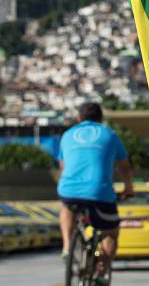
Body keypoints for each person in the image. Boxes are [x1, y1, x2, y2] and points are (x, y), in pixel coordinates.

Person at [57, 102, 134, 277]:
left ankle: (67, 246)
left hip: (69, 190)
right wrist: (129, 189)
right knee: (111, 233)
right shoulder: (110, 135)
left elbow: (63, 165)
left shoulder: (67, 135)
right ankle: (100, 271)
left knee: (66, 207)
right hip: (100, 193)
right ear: (101, 118)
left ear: (79, 118)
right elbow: (125, 167)